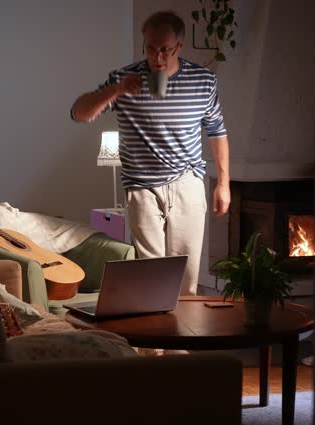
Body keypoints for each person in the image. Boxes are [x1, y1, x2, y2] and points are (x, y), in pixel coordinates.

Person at [70, 10, 230, 296]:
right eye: (151, 48)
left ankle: (182, 342)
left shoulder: (202, 81)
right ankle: (153, 343)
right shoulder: (123, 78)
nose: (157, 57)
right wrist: (117, 90)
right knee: (152, 279)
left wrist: (224, 183)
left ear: (179, 46)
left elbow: (217, 131)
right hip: (142, 188)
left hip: (187, 183)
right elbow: (79, 113)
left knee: (186, 279)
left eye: (165, 50)